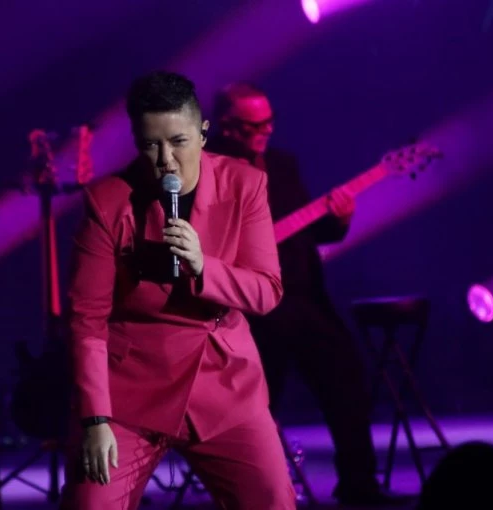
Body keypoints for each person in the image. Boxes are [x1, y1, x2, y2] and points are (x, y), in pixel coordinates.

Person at [59, 71, 296, 510]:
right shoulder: (108, 202)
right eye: (151, 145)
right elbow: (86, 320)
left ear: (203, 133)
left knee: (273, 500)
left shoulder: (244, 184)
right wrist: (95, 418)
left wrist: (205, 266)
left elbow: (266, 291)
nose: (166, 160)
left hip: (223, 382)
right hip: (131, 389)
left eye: (178, 142)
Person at [206, 82, 408, 506]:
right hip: (253, 308)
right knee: (258, 404)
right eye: (254, 125)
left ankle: (359, 485)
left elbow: (307, 232)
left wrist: (339, 219)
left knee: (346, 381)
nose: (266, 130)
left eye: (270, 121)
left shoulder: (282, 164)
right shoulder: (206, 169)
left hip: (304, 297)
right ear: (226, 125)